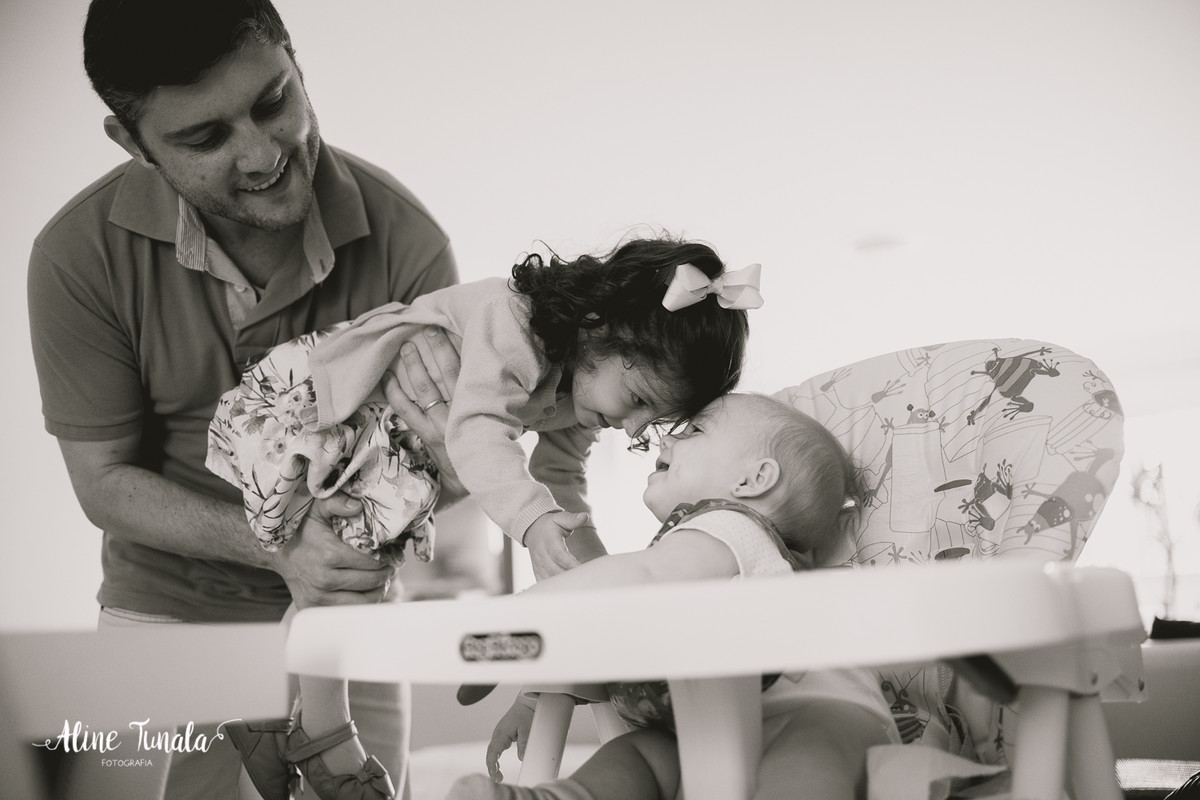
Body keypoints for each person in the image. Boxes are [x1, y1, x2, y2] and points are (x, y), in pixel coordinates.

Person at [26, 1, 464, 797]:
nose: (266, 153)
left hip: (349, 627)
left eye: (274, 102)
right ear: (133, 144)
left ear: (295, 61)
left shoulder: (409, 241)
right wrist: (277, 542)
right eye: (205, 138)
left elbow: (446, 462)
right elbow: (105, 482)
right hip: (163, 625)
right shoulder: (75, 257)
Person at [207, 237, 759, 798]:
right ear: (600, 327)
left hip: (392, 441)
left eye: (653, 421)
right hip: (339, 396)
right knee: (346, 576)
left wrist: (597, 576)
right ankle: (324, 739)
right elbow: (475, 432)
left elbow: (561, 482)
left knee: (335, 576)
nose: (636, 428)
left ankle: (269, 720)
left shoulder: (586, 395)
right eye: (639, 399)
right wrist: (532, 521)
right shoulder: (513, 323)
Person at [446, 393, 903, 800]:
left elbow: (633, 578)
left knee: (801, 771)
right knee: (641, 757)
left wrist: (519, 613)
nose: (669, 437)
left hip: (820, 714)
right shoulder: (694, 553)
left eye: (695, 430)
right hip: (714, 726)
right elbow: (610, 630)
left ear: (753, 480)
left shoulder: (731, 527)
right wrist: (533, 694)